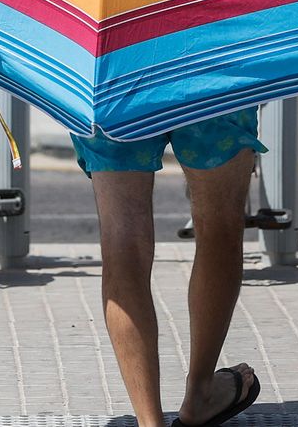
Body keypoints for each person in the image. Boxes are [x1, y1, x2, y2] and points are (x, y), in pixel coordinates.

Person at [73, 108, 266, 427]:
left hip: (112, 79)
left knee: (123, 238)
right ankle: (201, 393)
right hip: (210, 69)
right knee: (219, 223)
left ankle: (150, 421)